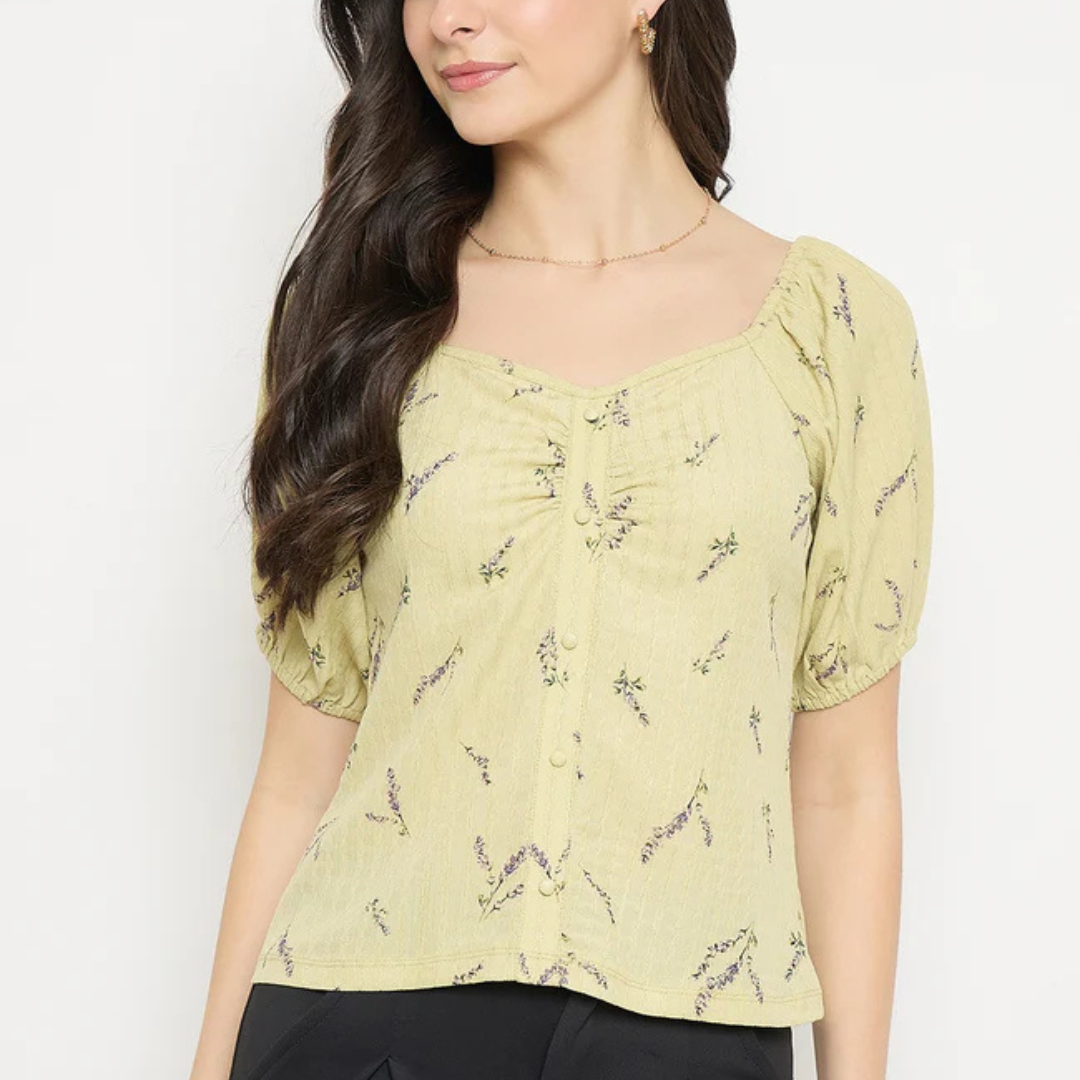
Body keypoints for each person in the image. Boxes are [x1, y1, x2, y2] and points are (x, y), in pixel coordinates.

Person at [189, 2, 934, 1079]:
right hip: (362, 1021)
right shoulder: (360, 323)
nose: (449, 19)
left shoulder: (834, 329)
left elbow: (846, 786)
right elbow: (297, 775)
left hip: (693, 1032)